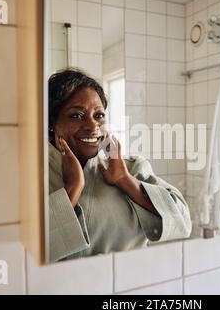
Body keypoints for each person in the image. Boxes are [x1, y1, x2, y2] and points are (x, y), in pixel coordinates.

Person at [48, 68, 192, 262]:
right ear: (51, 123)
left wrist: (125, 180)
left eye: (98, 115)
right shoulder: (32, 175)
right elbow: (23, 252)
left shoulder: (131, 168)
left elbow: (182, 224)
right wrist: (72, 190)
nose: (92, 127)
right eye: (76, 116)